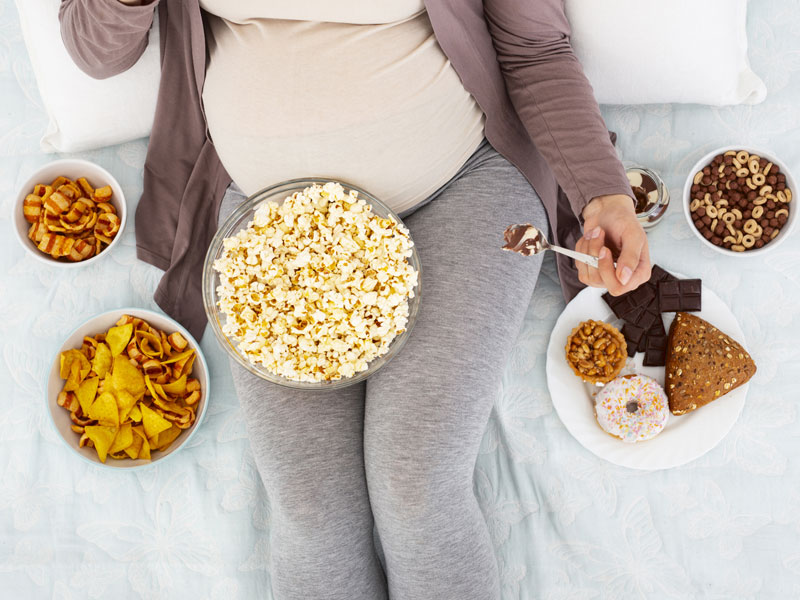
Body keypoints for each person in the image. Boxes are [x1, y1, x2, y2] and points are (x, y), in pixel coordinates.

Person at [60, 1, 651, 598]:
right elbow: (95, 52)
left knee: (417, 491)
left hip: (460, 187)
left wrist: (604, 192)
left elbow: (537, 49)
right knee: (311, 514)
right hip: (275, 226)